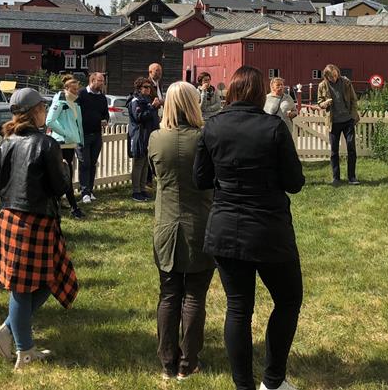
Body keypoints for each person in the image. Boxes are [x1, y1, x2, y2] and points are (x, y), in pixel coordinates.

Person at [194, 66, 305, 390]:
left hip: (226, 227)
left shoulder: (212, 127)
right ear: (260, 93)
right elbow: (294, 182)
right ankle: (272, 381)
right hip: (268, 228)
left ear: (231, 92)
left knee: (238, 307)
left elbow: (199, 179)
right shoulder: (272, 128)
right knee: (287, 300)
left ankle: (243, 385)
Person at [0, 88, 78, 370]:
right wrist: (65, 169)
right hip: (36, 219)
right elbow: (59, 187)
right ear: (35, 111)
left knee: (45, 281)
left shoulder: (5, 142)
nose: (44, 112)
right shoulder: (45, 144)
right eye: (42, 108)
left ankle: (8, 332)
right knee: (27, 287)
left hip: (10, 216)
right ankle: (24, 350)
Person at [149, 82, 216, 381]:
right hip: (199, 222)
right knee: (194, 295)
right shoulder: (204, 138)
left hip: (165, 224)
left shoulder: (155, 138)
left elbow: (156, 175)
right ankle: (188, 362)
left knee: (169, 294)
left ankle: (167, 362)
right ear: (193, 103)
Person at [45, 75, 85, 219]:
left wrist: (79, 139)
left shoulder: (74, 103)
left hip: (70, 143)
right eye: (73, 89)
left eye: (77, 89)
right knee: (65, 176)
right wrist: (66, 133)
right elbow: (49, 121)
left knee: (67, 176)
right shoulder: (61, 102)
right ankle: (74, 207)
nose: (76, 91)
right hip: (62, 144)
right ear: (66, 88)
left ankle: (60, 202)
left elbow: (77, 124)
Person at [317, 64, 360, 186]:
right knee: (334, 151)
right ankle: (336, 178)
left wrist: (352, 116)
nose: (334, 78)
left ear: (338, 73)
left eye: (336, 75)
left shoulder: (346, 82)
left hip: (348, 121)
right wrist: (324, 103)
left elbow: (354, 100)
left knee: (351, 148)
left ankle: (352, 177)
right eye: (331, 77)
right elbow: (319, 103)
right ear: (326, 76)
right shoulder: (322, 86)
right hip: (333, 122)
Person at [75, 72, 109, 204]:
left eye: (103, 81)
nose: (102, 83)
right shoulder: (82, 94)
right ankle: (84, 193)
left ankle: (90, 190)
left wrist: (105, 120)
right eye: (100, 81)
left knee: (93, 163)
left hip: (96, 135)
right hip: (83, 135)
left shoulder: (102, 98)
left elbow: (105, 114)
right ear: (92, 80)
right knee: (85, 163)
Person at [127, 76, 161, 202]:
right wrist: (152, 107)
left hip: (148, 135)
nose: (148, 89)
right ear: (139, 88)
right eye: (145, 87)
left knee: (146, 164)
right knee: (138, 163)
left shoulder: (147, 99)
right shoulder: (135, 100)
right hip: (139, 135)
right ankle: (135, 191)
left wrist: (154, 107)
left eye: (149, 87)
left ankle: (142, 189)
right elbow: (139, 117)